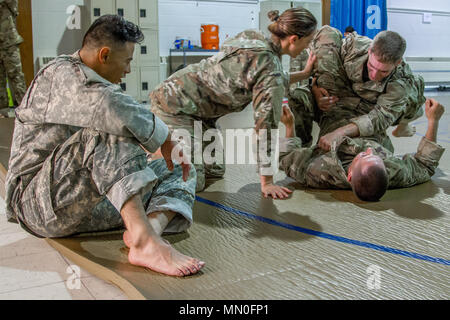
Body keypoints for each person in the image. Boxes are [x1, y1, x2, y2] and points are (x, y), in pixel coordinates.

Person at [5, 15, 204, 277]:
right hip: (37, 206)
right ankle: (145, 242)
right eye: (128, 61)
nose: (129, 70)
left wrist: (161, 149)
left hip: (80, 203)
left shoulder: (92, 82)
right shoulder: (60, 75)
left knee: (180, 166)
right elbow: (112, 107)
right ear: (105, 55)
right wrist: (166, 138)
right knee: (108, 129)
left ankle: (148, 230)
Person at [149, 8, 318, 199]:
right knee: (191, 180)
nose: (308, 47)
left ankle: (170, 150)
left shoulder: (255, 38)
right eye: (308, 42)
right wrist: (268, 181)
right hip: (174, 105)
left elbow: (264, 77)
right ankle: (148, 162)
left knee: (215, 170)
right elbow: (265, 127)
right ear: (294, 39)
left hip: (201, 112)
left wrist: (303, 74)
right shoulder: (269, 67)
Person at [278, 98, 445, 201]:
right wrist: (434, 120)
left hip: (336, 109)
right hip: (371, 114)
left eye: (364, 156)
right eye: (377, 158)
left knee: (300, 92)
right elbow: (425, 165)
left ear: (349, 175)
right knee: (409, 85)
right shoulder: (392, 173)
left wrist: (289, 125)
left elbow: (286, 158)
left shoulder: (318, 172)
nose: (370, 151)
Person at [310, 26, 425, 155]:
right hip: (346, 93)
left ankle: (403, 125)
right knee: (327, 35)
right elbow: (318, 65)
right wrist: (316, 89)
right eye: (372, 66)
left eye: (384, 71)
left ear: (397, 63)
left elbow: (381, 118)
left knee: (415, 88)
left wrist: (340, 132)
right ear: (370, 51)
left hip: (372, 106)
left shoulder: (401, 81)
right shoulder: (354, 46)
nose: (375, 75)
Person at [0, 0, 27, 109]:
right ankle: (2, 111)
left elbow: (14, 8)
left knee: (16, 76)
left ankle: (24, 109)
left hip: (8, 40)